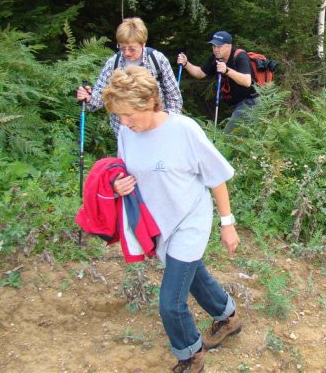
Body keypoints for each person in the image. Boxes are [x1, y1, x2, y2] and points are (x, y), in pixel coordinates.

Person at [103, 66, 242, 373]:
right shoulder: (127, 132)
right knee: (193, 277)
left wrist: (227, 223)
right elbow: (122, 169)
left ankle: (191, 356)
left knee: (170, 302)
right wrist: (117, 183)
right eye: (119, 116)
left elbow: (216, 177)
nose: (123, 122)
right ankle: (228, 316)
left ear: (149, 101)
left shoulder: (184, 130)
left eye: (128, 114)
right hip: (159, 223)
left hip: (190, 220)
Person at [77, 17, 182, 136]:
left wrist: (168, 125)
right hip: (125, 132)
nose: (126, 53)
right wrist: (88, 98)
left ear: (143, 44)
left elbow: (174, 98)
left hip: (157, 130)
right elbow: (100, 97)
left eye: (132, 49)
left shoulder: (157, 60)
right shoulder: (113, 63)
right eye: (122, 48)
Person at [177, 30, 257, 132]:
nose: (215, 49)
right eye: (213, 46)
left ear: (228, 46)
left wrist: (227, 70)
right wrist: (186, 64)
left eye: (219, 46)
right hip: (236, 104)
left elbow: (247, 81)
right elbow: (200, 73)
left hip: (250, 102)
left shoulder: (240, 56)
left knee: (227, 136)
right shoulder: (216, 59)